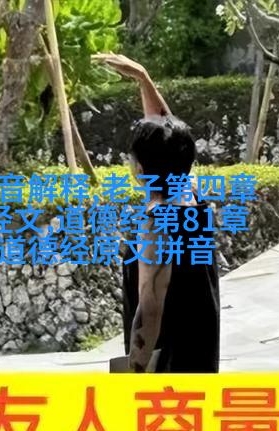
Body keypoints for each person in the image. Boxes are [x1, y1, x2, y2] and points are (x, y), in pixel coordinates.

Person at [93, 54, 220, 373]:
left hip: (169, 367)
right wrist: (143, 78)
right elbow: (171, 137)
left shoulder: (156, 224)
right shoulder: (189, 195)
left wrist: (135, 373)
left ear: (140, 169)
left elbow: (150, 310)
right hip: (200, 355)